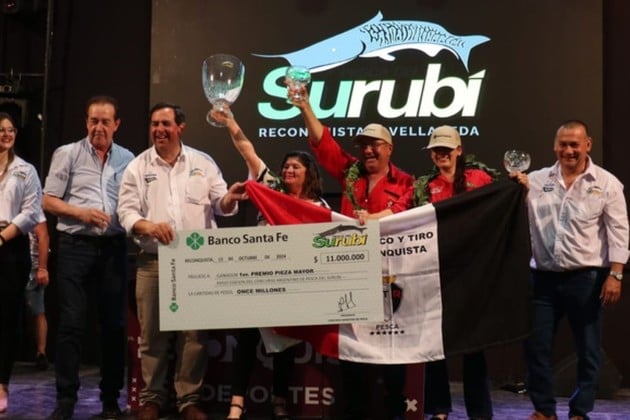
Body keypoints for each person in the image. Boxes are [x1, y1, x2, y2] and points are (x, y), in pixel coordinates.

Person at [289, 87, 414, 419]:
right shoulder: (350, 174)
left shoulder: (406, 182)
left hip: (389, 275)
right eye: (363, 145)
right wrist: (305, 106)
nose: (368, 150)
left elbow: (403, 211)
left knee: (391, 346)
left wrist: (372, 219)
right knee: (351, 346)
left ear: (389, 148)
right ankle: (356, 409)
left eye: (375, 144)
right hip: (351, 275)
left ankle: (393, 408)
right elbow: (324, 142)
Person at [117, 102, 245, 420]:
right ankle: (152, 399)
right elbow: (126, 212)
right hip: (153, 260)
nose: (159, 130)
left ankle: (188, 400)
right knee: (152, 336)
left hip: (195, 263)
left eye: (165, 124)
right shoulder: (137, 167)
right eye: (155, 124)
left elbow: (221, 204)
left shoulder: (202, 162)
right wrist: (148, 226)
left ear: (180, 127)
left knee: (194, 337)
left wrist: (230, 197)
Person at [212, 108, 329, 420]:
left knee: (286, 346)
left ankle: (279, 401)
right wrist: (231, 121)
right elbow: (248, 151)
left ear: (308, 173)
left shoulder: (319, 207)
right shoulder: (271, 189)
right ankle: (237, 403)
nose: (288, 170)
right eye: (286, 166)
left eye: (295, 167)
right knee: (247, 338)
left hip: (294, 284)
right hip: (261, 278)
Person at [511, 120, 629, 420]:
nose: (569, 150)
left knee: (588, 349)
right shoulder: (535, 180)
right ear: (555, 146)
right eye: (563, 144)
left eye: (575, 144)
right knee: (536, 346)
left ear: (587, 144)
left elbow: (618, 231)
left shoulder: (607, 183)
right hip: (543, 279)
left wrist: (616, 274)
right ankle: (544, 410)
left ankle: (579, 411)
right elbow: (516, 212)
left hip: (587, 279)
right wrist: (515, 189)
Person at [43, 96, 134, 420]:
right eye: (93, 121)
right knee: (71, 324)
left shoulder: (128, 158)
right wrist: (81, 213)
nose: (98, 127)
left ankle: (110, 400)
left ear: (116, 125)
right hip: (75, 245)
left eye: (105, 122)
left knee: (114, 326)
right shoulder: (67, 153)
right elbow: (48, 201)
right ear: (86, 122)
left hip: (113, 248)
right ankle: (66, 399)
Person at [416, 126, 496, 420]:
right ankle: (439, 409)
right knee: (435, 342)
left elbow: (498, 205)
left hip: (473, 271)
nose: (441, 154)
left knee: (473, 345)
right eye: (436, 150)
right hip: (439, 271)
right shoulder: (426, 186)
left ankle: (480, 412)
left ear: (459, 151)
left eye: (446, 150)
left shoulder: (480, 178)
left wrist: (519, 186)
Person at [0, 112, 43, 413]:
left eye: (10, 130)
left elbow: (31, 212)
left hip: (11, 245)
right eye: (0, 130)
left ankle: (1, 383)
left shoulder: (26, 170)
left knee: (6, 318)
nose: (6, 134)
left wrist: (3, 237)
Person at [25, 216, 50, 371]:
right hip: (10, 265)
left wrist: (42, 268)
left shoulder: (33, 211)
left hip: (32, 268)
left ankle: (41, 352)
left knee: (37, 310)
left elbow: (43, 236)